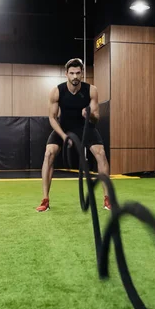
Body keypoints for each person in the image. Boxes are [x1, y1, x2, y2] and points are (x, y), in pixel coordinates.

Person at [36, 58, 111, 212]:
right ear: (66, 74)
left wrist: (89, 115)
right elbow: (52, 118)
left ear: (82, 73)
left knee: (101, 153)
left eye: (78, 73)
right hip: (63, 127)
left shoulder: (91, 90)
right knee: (49, 153)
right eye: (72, 73)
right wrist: (63, 136)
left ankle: (107, 199)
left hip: (85, 126)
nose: (75, 76)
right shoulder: (57, 91)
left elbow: (96, 118)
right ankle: (45, 200)